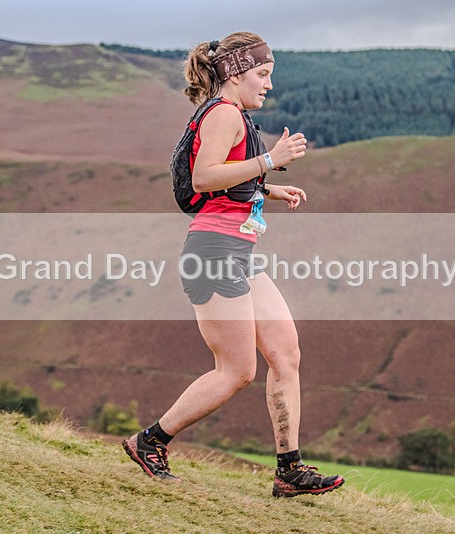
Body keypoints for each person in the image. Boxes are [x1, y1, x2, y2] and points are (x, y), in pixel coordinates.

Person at [123, 32, 344, 498]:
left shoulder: (234, 114)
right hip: (213, 254)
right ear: (236, 72)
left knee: (286, 353)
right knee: (237, 371)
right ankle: (150, 442)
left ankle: (289, 470)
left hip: (238, 252)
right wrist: (270, 159)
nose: (267, 85)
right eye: (262, 75)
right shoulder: (224, 113)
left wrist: (266, 188)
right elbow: (205, 178)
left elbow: (226, 181)